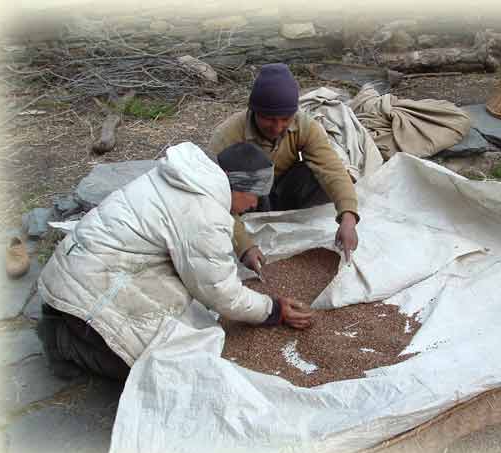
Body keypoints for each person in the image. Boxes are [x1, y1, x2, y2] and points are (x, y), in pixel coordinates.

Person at [36, 141, 313, 381]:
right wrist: (273, 309)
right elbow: (220, 292)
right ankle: (64, 339)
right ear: (235, 186)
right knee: (159, 369)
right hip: (90, 286)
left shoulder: (184, 177)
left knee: (180, 307)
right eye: (254, 195)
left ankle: (67, 320)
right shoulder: (204, 214)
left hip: (79, 268)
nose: (254, 204)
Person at [209, 63, 360, 274]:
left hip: (283, 190)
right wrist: (243, 245)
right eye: (269, 119)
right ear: (254, 111)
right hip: (246, 199)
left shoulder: (304, 125)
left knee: (318, 176)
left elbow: (332, 169)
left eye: (285, 119)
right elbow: (212, 199)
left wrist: (348, 217)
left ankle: (286, 221)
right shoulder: (227, 136)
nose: (278, 127)